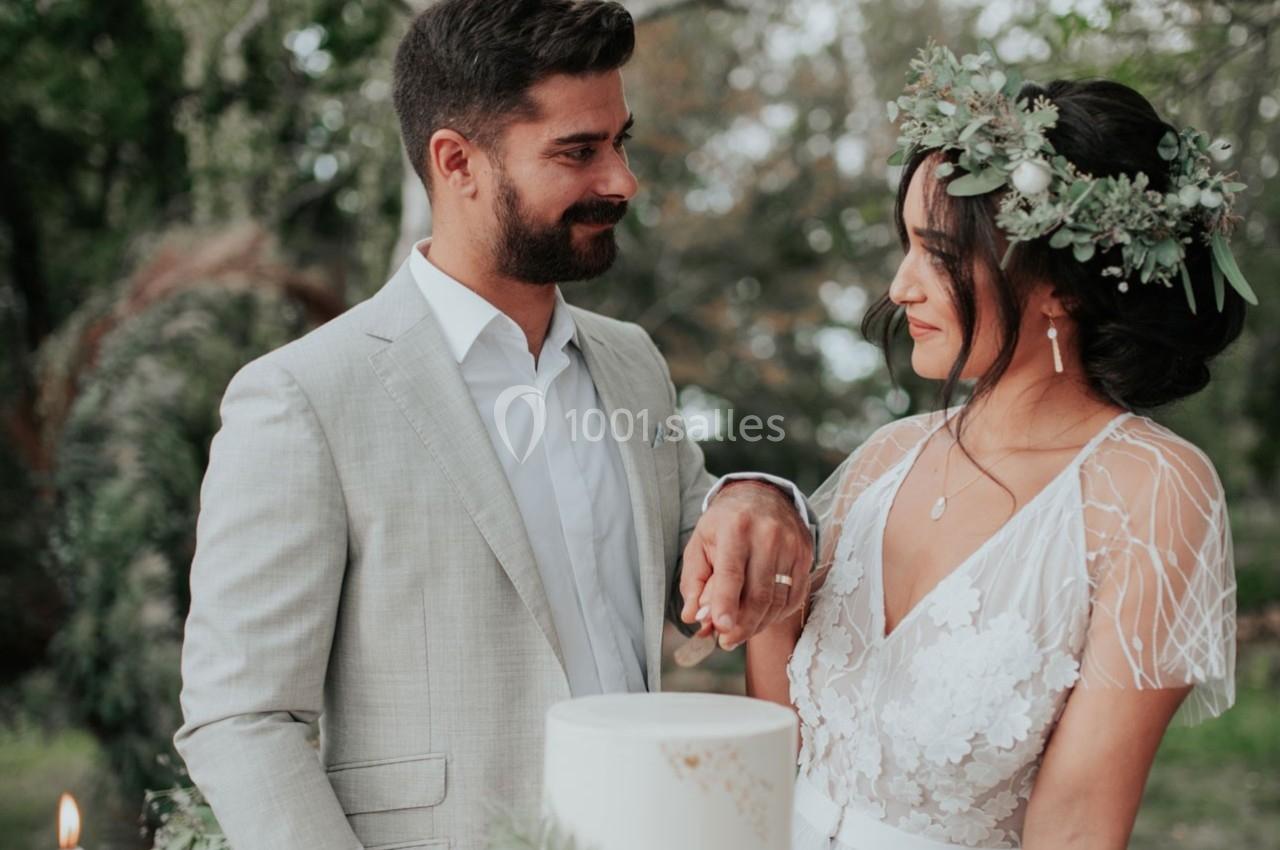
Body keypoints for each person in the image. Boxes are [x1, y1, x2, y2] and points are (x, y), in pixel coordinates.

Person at [173, 3, 814, 849]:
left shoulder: (632, 364)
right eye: (579, 152)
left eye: (620, 141)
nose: (622, 181)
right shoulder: (302, 398)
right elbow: (241, 719)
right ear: (456, 161)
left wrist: (762, 495)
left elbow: (700, 560)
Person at [741, 45, 1247, 849]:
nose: (901, 286)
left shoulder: (1150, 490)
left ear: (1061, 287)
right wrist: (765, 599)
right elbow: (779, 746)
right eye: (904, 246)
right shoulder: (884, 458)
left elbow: (1078, 826)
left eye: (938, 256)